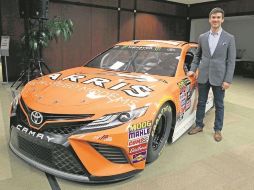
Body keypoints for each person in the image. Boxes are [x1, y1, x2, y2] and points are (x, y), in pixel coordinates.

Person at [187, 7, 236, 142]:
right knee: (201, 102)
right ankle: (199, 125)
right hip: (203, 75)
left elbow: (231, 61)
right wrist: (192, 69)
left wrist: (228, 80)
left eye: (218, 17)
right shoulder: (202, 37)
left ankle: (217, 130)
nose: (215, 20)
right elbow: (197, 56)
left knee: (219, 105)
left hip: (220, 78)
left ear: (222, 20)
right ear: (209, 19)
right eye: (213, 17)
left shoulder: (229, 38)